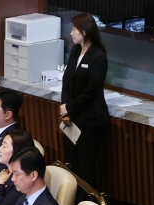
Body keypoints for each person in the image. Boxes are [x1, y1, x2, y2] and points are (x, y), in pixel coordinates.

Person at [60, 12, 109, 190]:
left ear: (85, 31)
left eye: (74, 29)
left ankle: (85, 204)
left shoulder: (98, 57)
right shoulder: (75, 52)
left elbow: (91, 90)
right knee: (71, 163)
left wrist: (69, 108)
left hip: (89, 120)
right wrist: (64, 109)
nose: (71, 32)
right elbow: (67, 82)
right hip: (70, 118)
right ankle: (71, 200)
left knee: (86, 166)